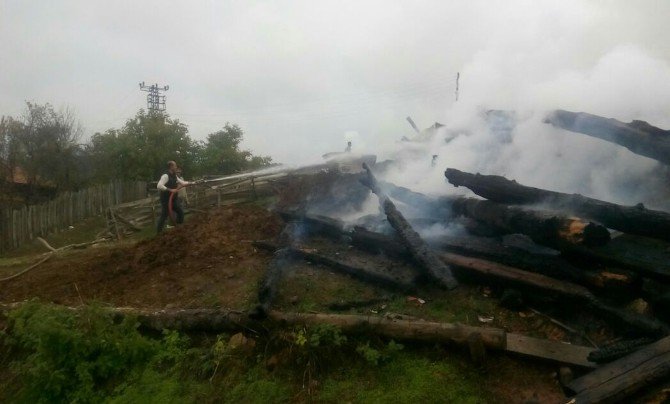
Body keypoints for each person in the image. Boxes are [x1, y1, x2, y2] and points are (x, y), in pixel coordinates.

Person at [156, 161, 191, 233]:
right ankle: (158, 233)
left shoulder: (174, 176)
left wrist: (192, 182)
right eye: (175, 166)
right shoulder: (165, 176)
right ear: (171, 167)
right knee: (164, 215)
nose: (176, 167)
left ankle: (178, 227)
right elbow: (159, 185)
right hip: (166, 200)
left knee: (180, 212)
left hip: (173, 199)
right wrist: (170, 190)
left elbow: (183, 183)